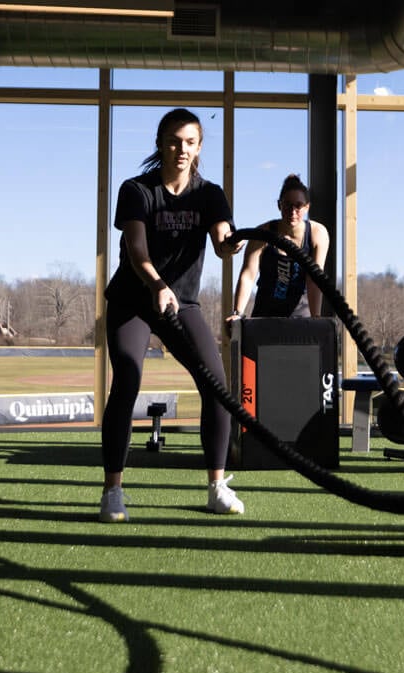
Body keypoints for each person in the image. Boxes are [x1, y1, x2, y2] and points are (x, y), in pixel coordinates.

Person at [99, 108, 247, 523]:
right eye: (174, 141)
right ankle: (113, 491)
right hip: (134, 300)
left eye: (190, 142)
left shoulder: (210, 193)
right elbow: (136, 250)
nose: (182, 149)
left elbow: (221, 239)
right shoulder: (137, 190)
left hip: (182, 303)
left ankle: (216, 487)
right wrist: (157, 284)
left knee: (217, 385)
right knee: (127, 379)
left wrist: (229, 245)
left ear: (199, 147)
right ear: (161, 143)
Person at [227, 174, 331, 321]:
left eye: (298, 206)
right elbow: (248, 275)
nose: (293, 211)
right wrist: (237, 313)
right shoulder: (262, 233)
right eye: (287, 204)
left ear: (307, 207)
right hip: (265, 314)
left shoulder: (317, 233)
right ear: (279, 205)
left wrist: (316, 318)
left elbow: (314, 279)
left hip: (300, 315)